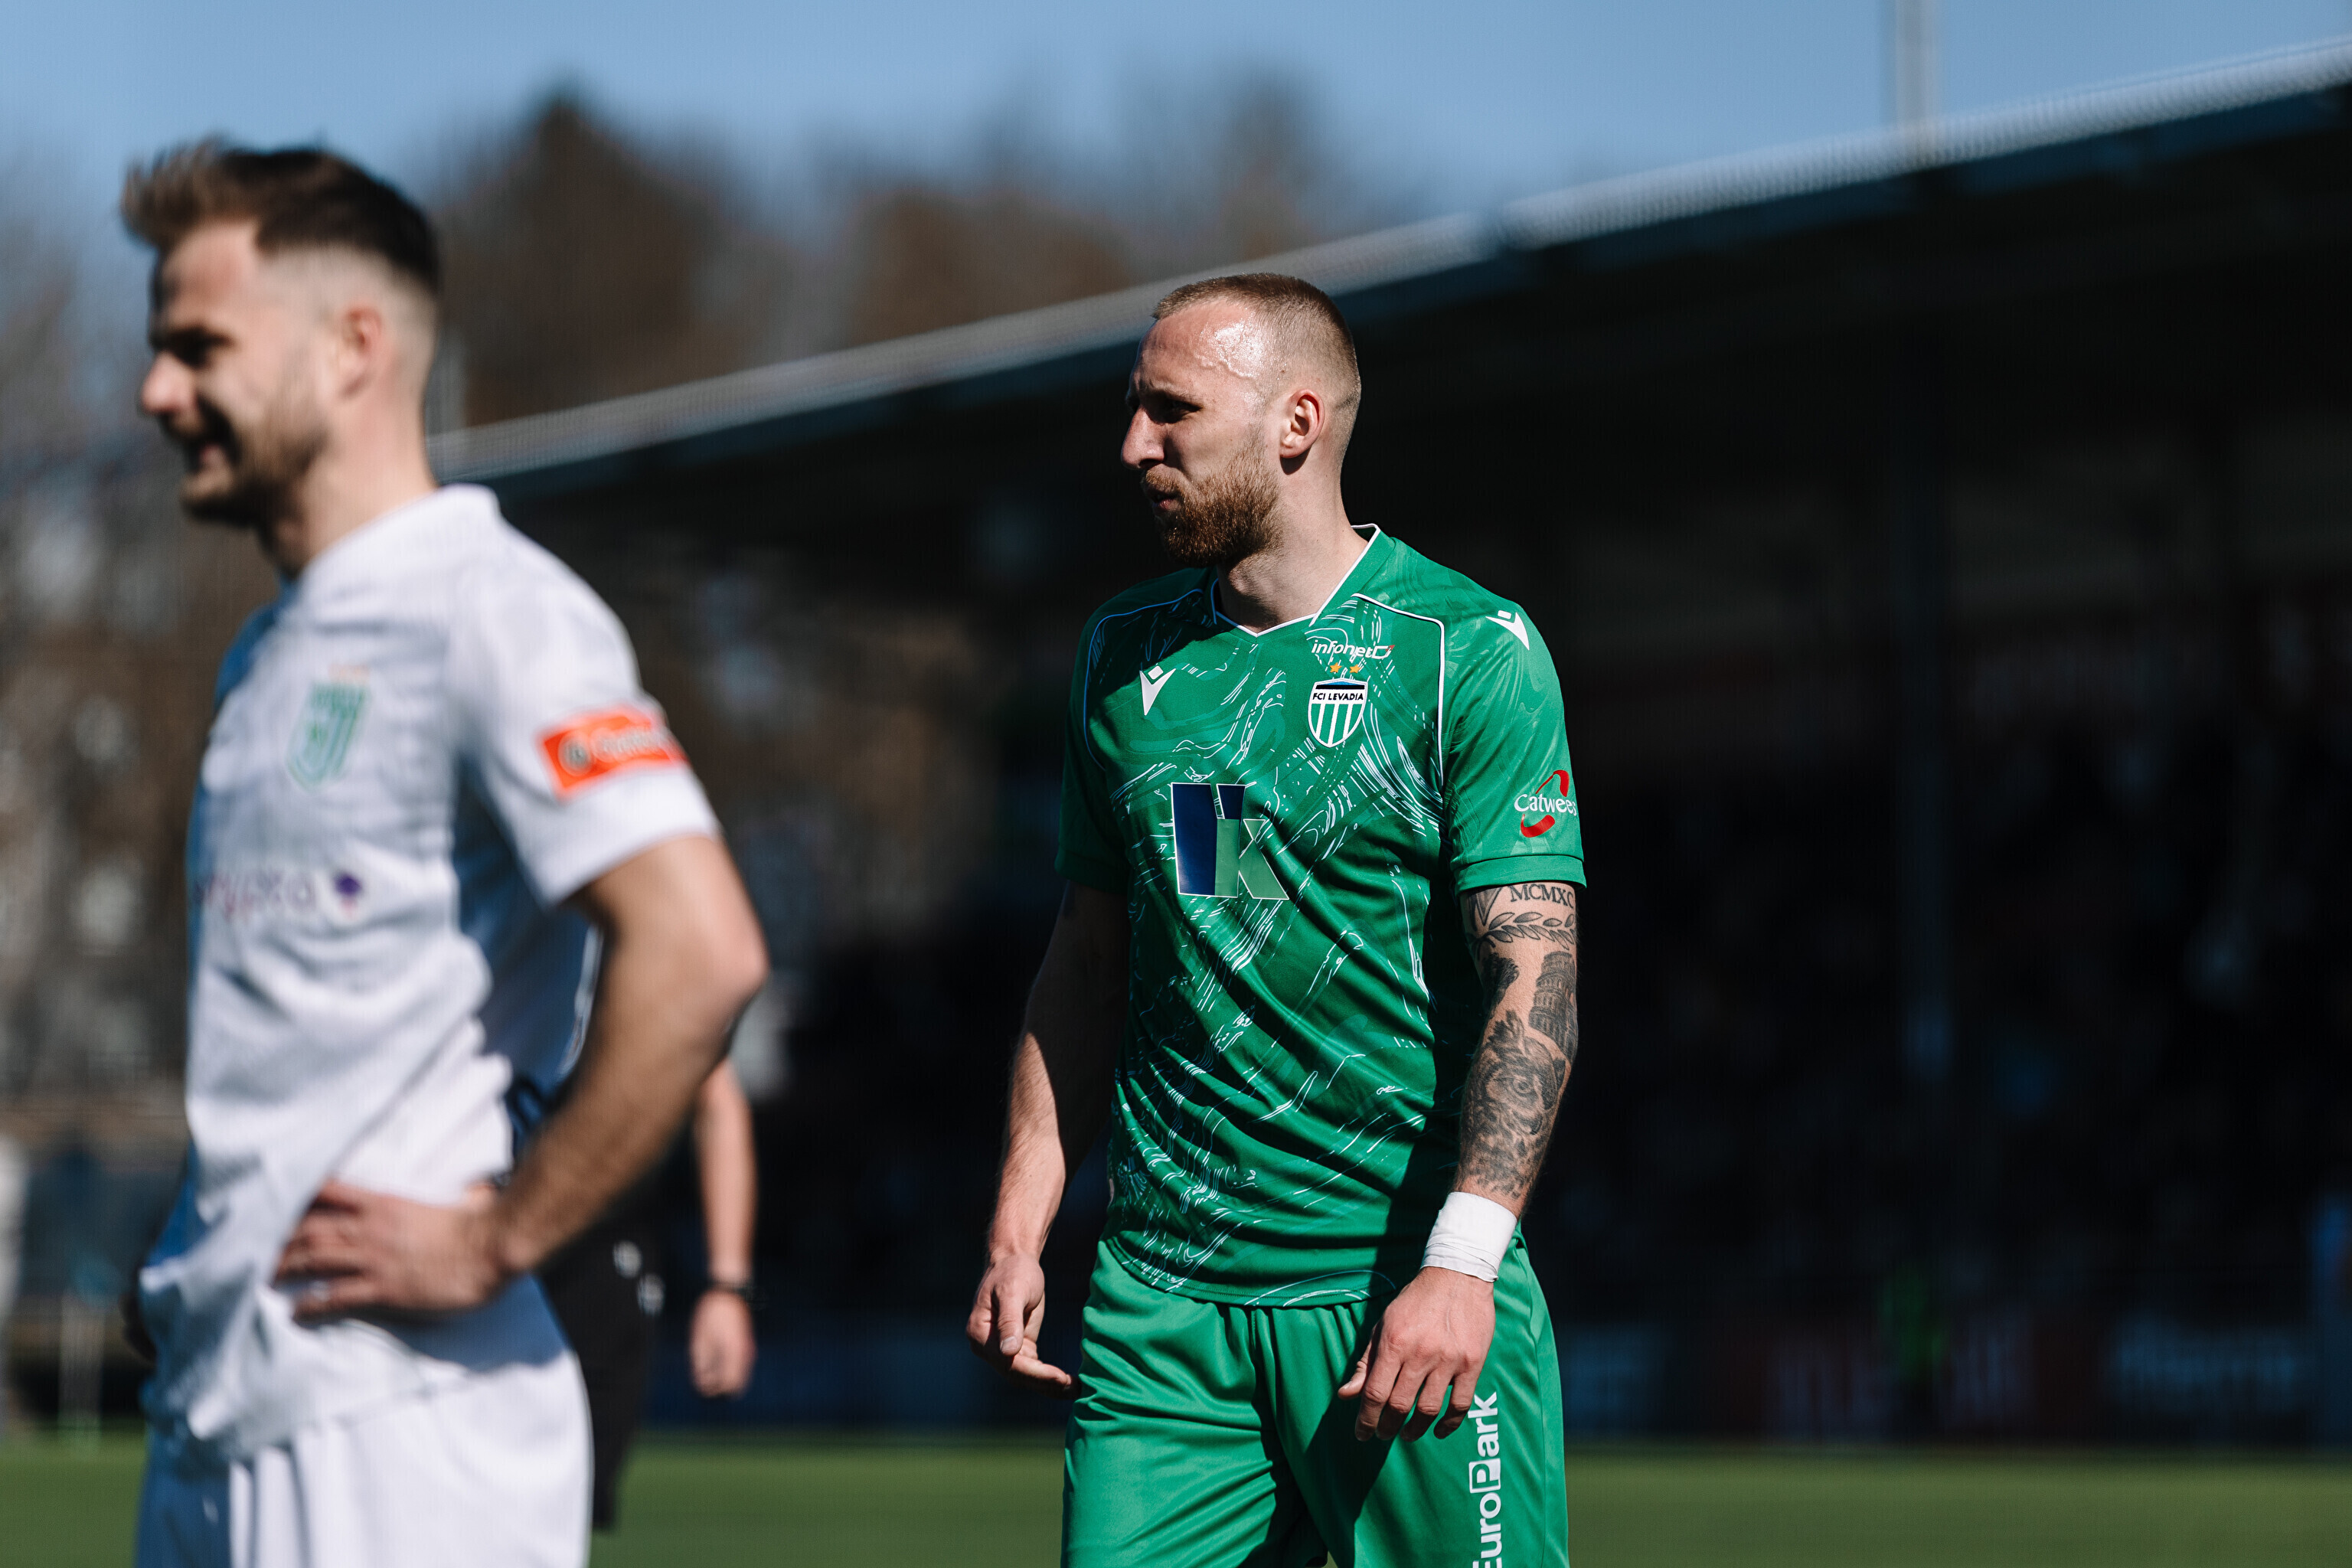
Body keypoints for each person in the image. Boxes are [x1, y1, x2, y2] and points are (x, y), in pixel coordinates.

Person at [121, 142, 769, 1568]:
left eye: (199, 346)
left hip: (398, 1431)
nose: (157, 390)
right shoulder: (263, 651)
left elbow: (702, 947)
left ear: (353, 346)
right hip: (217, 1406)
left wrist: (495, 1238)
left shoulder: (493, 611)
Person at [967, 273, 1583, 1566]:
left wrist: (1462, 1264)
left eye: (1171, 410)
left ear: (1295, 423)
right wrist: (1022, 1223)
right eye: (1135, 408)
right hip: (1163, 1316)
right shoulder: (1121, 660)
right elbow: (1085, 966)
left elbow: (1536, 984)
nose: (1133, 444)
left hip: (1394, 1292)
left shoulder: (1466, 649)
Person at [535, 1057, 760, 1530]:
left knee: (558, 1520)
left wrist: (726, 1287)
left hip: (601, 1265)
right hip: (467, 1240)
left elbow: (715, 1094)